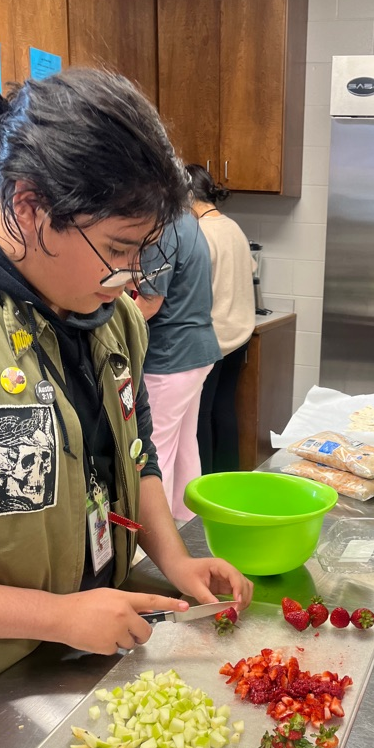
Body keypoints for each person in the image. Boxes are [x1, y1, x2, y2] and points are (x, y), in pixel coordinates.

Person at [0, 70, 252, 731]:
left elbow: (138, 455)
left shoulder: (113, 317)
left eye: (141, 254)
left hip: (81, 664)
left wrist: (173, 559)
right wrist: (56, 615)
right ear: (27, 206)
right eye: (115, 250)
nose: (129, 278)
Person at [135, 213, 221, 521]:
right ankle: (187, 524)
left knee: (155, 452)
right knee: (184, 447)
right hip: (197, 351)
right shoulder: (186, 220)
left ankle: (152, 548)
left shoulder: (164, 227)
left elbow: (149, 302)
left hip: (171, 356)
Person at [186, 164, 255, 474]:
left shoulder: (199, 233)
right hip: (240, 335)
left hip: (212, 340)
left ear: (187, 196)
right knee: (224, 409)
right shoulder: (233, 227)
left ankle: (204, 487)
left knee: (200, 415)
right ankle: (228, 478)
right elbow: (251, 270)